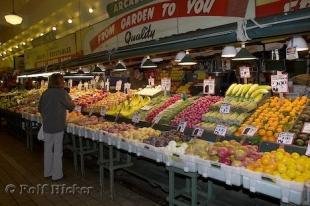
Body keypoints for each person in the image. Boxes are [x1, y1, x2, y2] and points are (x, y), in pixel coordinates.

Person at [38, 73, 75, 181]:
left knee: (48, 149)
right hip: (58, 125)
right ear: (60, 81)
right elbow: (71, 106)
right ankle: (57, 175)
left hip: (47, 125)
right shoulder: (62, 93)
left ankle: (47, 172)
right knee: (58, 150)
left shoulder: (45, 93)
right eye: (63, 80)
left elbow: (39, 108)